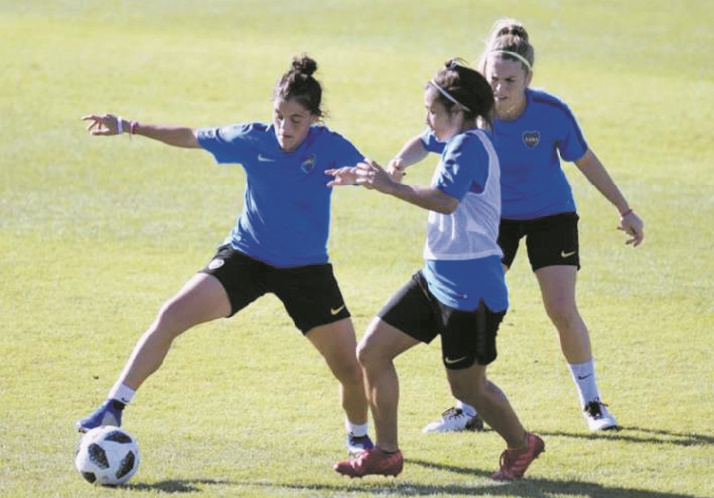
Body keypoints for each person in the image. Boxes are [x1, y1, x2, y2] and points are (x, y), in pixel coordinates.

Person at [76, 55, 375, 457]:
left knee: (348, 368)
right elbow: (190, 136)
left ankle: (358, 437)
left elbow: (371, 173)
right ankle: (113, 408)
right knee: (171, 316)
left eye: (296, 120)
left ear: (314, 119)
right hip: (246, 258)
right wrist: (129, 126)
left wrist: (369, 176)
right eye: (278, 116)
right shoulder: (253, 139)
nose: (284, 128)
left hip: (306, 271)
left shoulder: (331, 146)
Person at [390, 19, 645, 434]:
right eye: (493, 78)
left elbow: (585, 160)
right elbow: (427, 139)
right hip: (497, 220)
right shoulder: (474, 117)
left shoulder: (551, 113)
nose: (500, 88)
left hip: (551, 215)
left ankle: (593, 403)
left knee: (561, 309)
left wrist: (625, 209)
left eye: (510, 79)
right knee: (472, 308)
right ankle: (468, 408)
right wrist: (398, 163)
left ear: (527, 77)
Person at [328, 60, 544, 480]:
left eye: (432, 109)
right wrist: (383, 171)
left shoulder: (470, 146)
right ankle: (386, 452)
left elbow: (446, 199)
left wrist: (389, 186)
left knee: (467, 388)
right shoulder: (454, 137)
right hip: (436, 277)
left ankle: (523, 444)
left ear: (458, 111)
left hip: (472, 287)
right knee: (372, 352)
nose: (427, 116)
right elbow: (424, 141)